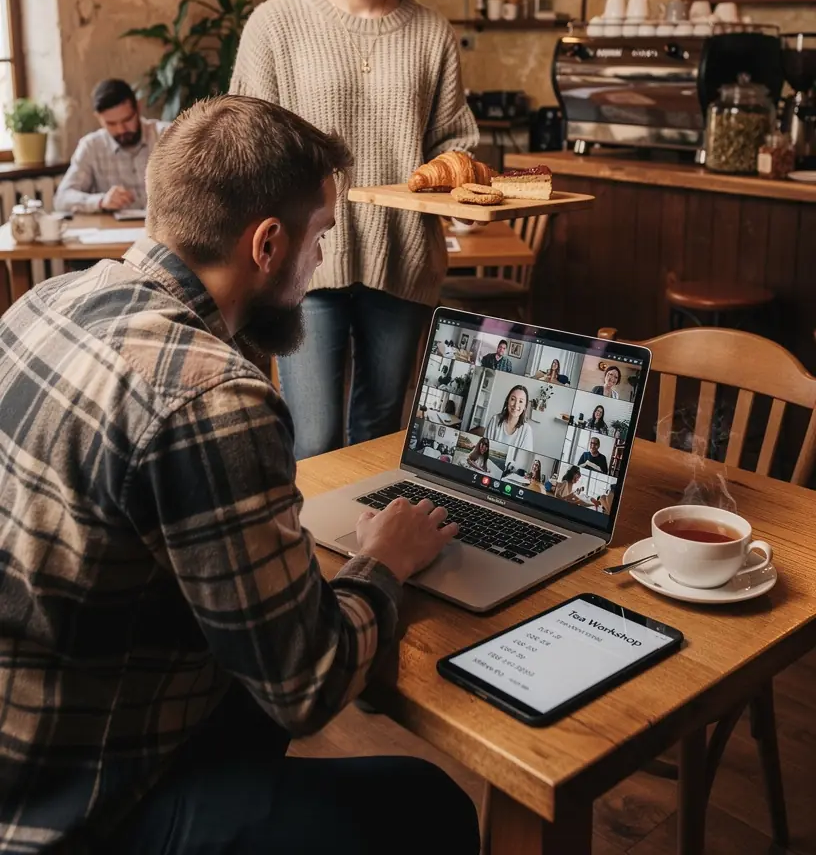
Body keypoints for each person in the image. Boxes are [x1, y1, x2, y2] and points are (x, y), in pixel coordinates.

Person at [0, 96, 479, 855]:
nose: (321, 259)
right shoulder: (212, 395)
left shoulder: (44, 303)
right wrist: (382, 559)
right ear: (266, 243)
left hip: (26, 735)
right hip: (74, 809)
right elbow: (309, 684)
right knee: (434, 807)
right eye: (320, 236)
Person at [230, 0, 479, 460]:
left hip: (404, 254)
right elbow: (243, 140)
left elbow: (455, 140)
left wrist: (460, 186)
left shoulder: (430, 31)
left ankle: (374, 554)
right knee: (313, 440)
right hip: (303, 263)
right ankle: (310, 556)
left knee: (381, 432)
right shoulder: (276, 25)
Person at [54, 78, 170, 213]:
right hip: (116, 230)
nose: (121, 130)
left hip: (167, 229)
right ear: (99, 118)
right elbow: (61, 199)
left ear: (137, 108)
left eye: (127, 120)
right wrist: (101, 201)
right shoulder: (91, 146)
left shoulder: (169, 136)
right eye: (111, 124)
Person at [485, 385, 533, 450]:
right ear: (507, 401)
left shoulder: (526, 430)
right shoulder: (495, 419)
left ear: (525, 406)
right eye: (513, 399)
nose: (516, 405)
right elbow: (485, 444)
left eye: (521, 401)